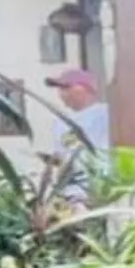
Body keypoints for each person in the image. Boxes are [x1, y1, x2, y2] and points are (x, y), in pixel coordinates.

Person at [46, 65, 111, 197]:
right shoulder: (60, 123)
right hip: (72, 192)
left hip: (104, 187)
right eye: (59, 89)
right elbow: (60, 157)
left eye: (66, 87)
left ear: (84, 88)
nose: (61, 94)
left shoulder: (107, 113)